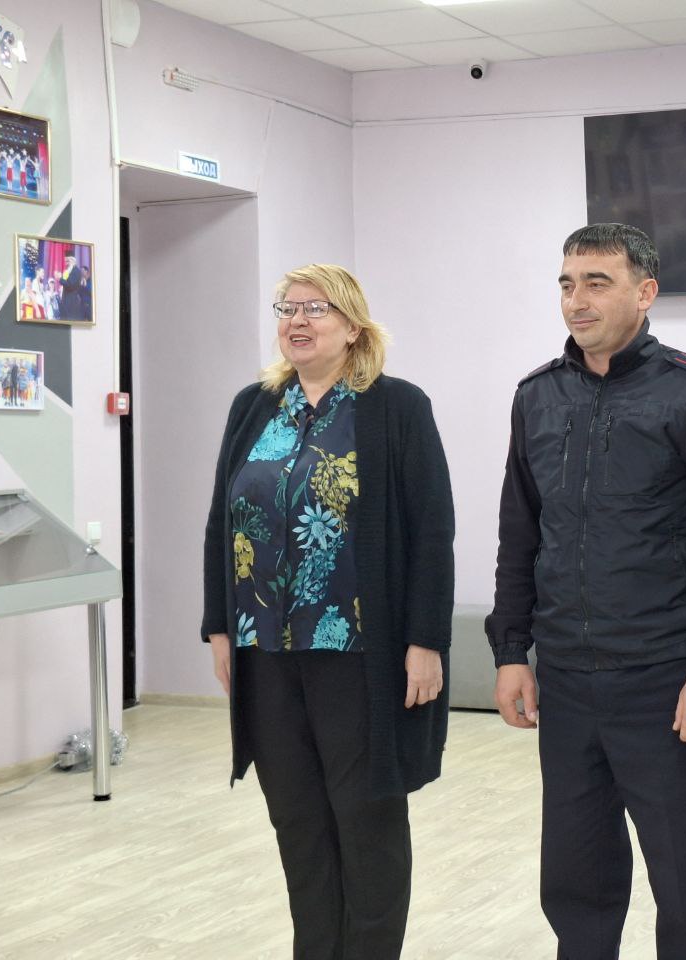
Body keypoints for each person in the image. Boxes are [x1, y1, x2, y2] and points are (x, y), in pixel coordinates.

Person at [487, 223, 686, 959]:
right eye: (566, 283)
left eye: (597, 282)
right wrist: (512, 651)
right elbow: (520, 536)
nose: (576, 300)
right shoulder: (536, 397)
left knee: (682, 883)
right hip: (568, 680)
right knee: (574, 880)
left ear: (645, 292)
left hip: (663, 681)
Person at [201, 263, 455, 960]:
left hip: (358, 652)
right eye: (287, 308)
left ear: (353, 327)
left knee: (367, 822)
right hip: (264, 651)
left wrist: (426, 640)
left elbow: (432, 528)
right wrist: (219, 626)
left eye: (315, 308)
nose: (297, 320)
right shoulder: (254, 407)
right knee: (298, 822)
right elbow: (223, 522)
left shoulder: (396, 407)